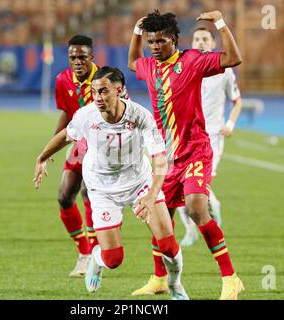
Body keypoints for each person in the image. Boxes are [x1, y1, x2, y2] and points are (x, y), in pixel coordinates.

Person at [34, 66, 189, 300]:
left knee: (167, 244)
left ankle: (175, 285)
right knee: (114, 260)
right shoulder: (87, 115)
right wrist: (42, 157)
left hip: (140, 183)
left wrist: (151, 195)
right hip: (102, 188)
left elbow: (159, 161)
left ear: (119, 90)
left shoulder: (140, 116)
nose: (98, 98)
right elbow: (66, 136)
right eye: (95, 92)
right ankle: (97, 260)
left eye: (104, 91)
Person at [128, 10, 244, 300]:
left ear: (174, 39)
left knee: (194, 208)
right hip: (165, 158)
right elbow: (132, 63)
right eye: (150, 41)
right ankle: (158, 279)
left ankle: (231, 279)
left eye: (160, 41)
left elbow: (233, 58)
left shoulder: (191, 60)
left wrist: (220, 22)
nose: (154, 46)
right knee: (160, 218)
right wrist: (135, 32)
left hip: (195, 150)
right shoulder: (149, 66)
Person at [177, 27, 242, 247]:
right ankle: (190, 230)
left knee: (198, 187)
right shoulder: (183, 66)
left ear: (213, 44)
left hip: (211, 138)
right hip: (184, 137)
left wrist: (230, 123)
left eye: (205, 39)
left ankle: (214, 210)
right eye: (197, 39)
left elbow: (237, 100)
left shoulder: (225, 71)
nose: (201, 42)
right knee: (177, 186)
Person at [51, 35, 100, 277]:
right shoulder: (62, 80)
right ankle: (85, 252)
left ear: (92, 57)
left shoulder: (105, 81)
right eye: (73, 57)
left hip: (105, 149)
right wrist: (52, 146)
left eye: (82, 57)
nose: (77, 62)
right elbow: (67, 114)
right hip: (80, 147)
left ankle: (94, 253)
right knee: (64, 196)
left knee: (87, 192)